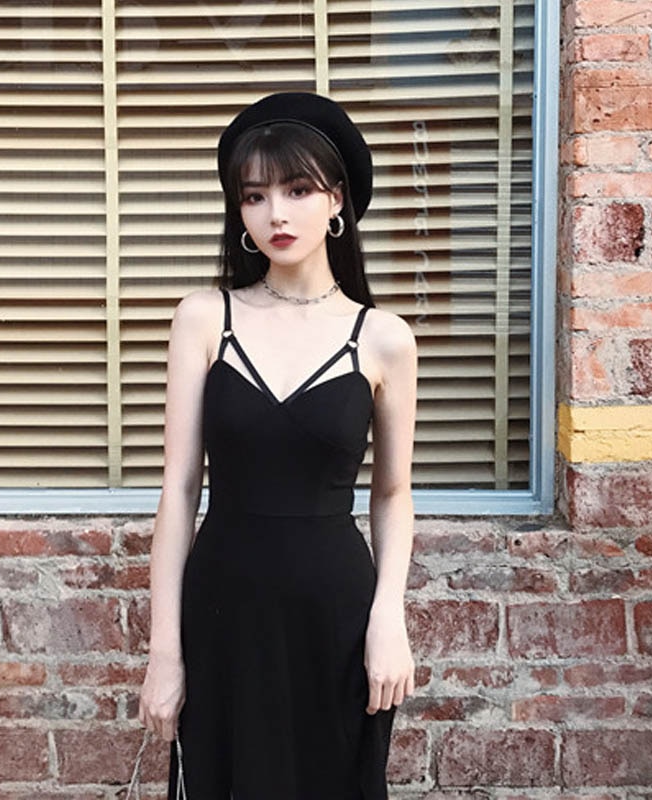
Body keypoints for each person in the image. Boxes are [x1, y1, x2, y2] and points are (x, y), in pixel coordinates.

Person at [138, 92, 417, 800]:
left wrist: (389, 619)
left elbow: (392, 494)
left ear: (337, 201)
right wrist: (164, 652)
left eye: (297, 190)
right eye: (255, 196)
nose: (276, 215)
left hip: (336, 614)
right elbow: (178, 490)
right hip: (224, 611)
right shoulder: (205, 318)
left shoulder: (384, 338)